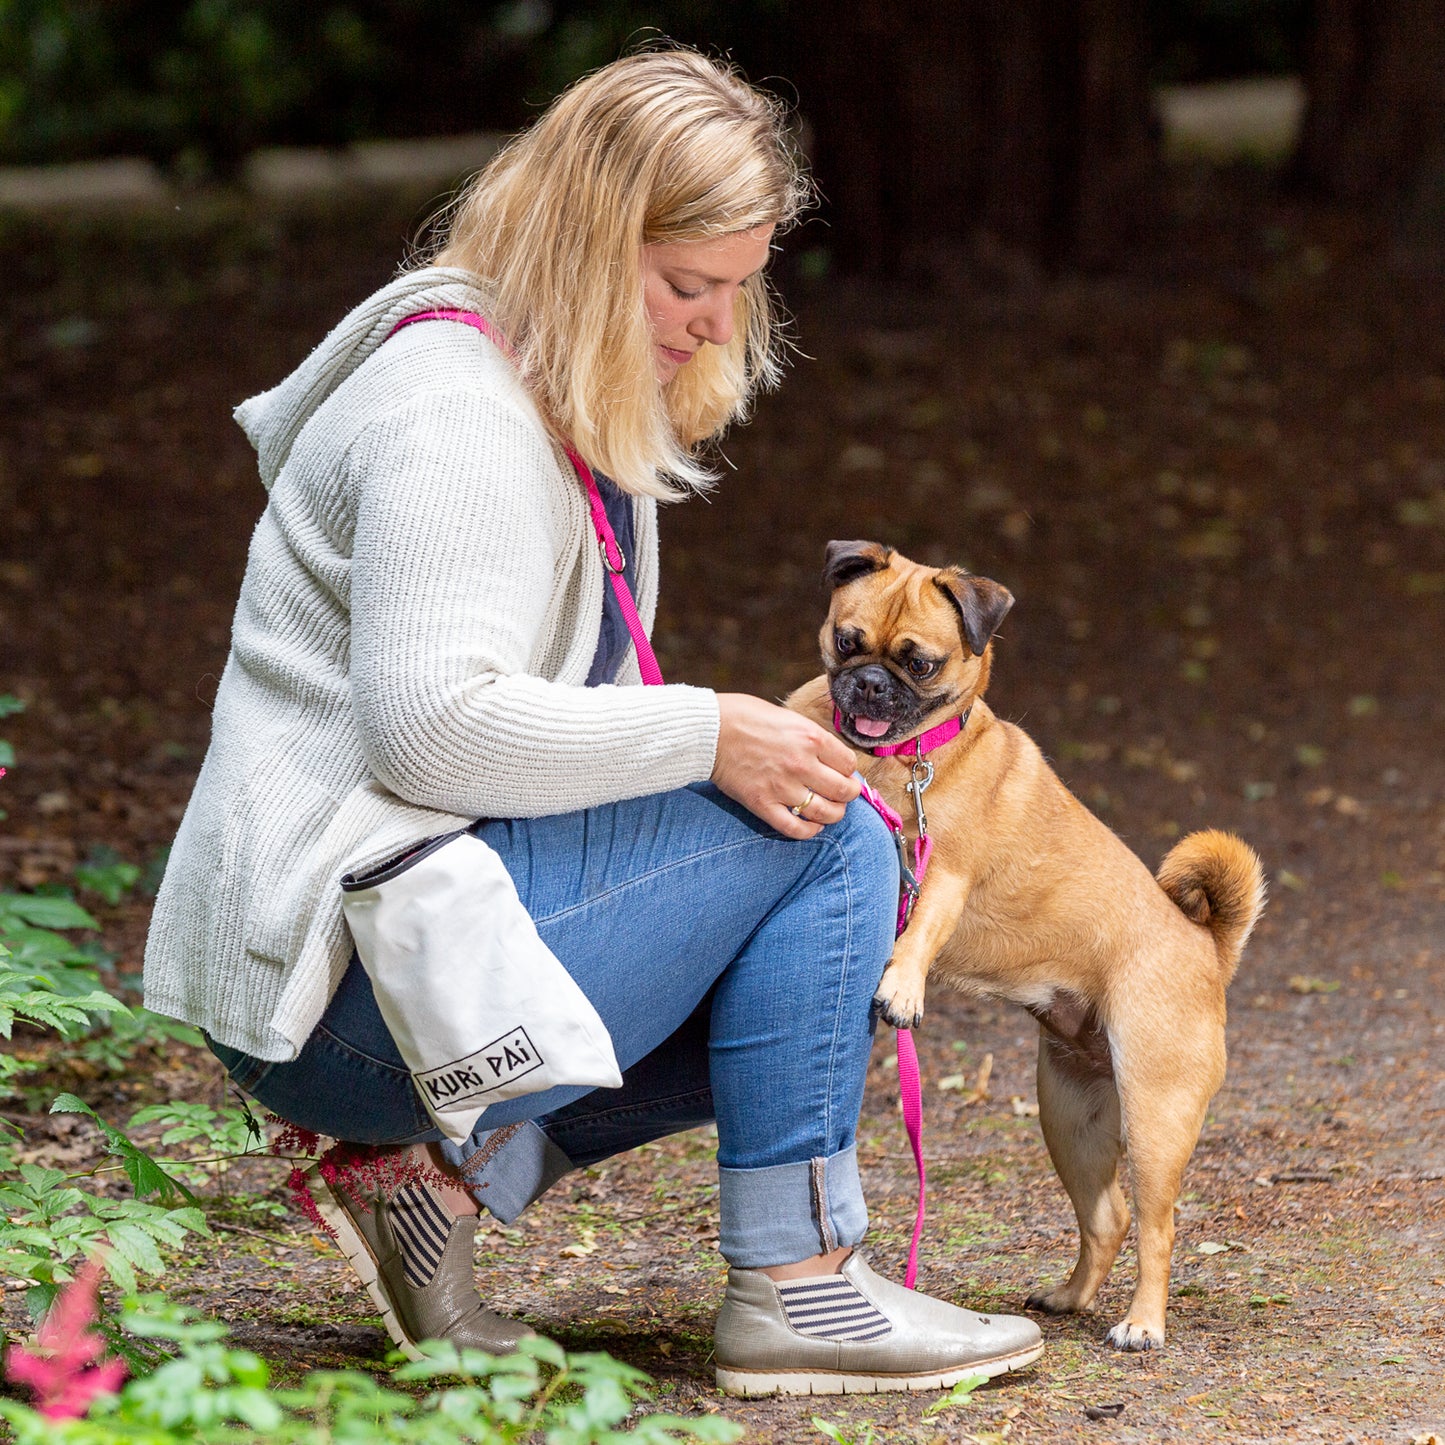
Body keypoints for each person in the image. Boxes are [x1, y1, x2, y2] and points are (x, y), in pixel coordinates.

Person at [143, 47, 1043, 1396]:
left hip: (365, 947)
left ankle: (440, 1194)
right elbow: (429, 734)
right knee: (835, 845)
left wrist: (713, 754)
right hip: (339, 990)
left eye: (736, 289)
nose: (712, 325)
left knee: (797, 869)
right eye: (688, 286)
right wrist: (707, 735)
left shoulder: (537, 390)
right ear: (583, 244)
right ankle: (799, 1288)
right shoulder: (456, 417)